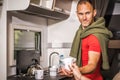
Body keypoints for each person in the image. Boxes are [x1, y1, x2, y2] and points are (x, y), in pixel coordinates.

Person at [59, 0, 113, 80]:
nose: (84, 18)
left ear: (94, 13)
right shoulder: (80, 32)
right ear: (77, 14)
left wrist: (77, 70)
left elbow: (92, 65)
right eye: (81, 14)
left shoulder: (94, 36)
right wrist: (70, 70)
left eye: (87, 13)